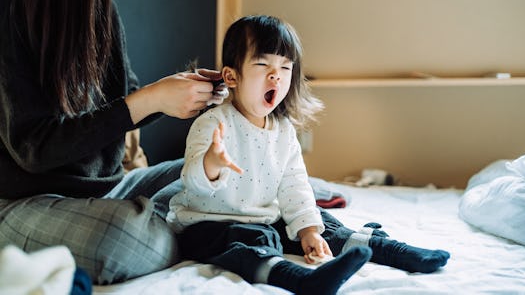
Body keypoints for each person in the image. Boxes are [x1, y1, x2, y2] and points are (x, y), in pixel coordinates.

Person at [167, 15, 450, 294]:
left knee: (315, 219)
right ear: (232, 76)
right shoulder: (214, 123)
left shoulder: (283, 129)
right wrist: (211, 164)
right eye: (263, 63)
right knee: (248, 239)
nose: (275, 74)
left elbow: (294, 184)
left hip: (264, 216)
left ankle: (387, 250)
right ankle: (301, 280)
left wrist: (308, 231)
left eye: (285, 67)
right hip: (208, 224)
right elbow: (192, 181)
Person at [0, 0, 224, 285]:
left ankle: (179, 222)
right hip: (22, 204)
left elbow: (125, 97)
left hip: (103, 190)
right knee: (119, 238)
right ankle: (195, 226)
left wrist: (178, 92)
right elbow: (35, 148)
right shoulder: (8, 4)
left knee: (222, 169)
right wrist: (150, 100)